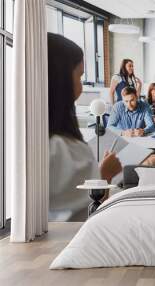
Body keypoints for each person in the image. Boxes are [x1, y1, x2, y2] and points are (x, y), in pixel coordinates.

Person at [48, 33, 122, 218]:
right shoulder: (57, 149)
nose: (81, 87)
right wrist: (103, 175)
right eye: (80, 76)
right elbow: (88, 214)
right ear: (61, 78)